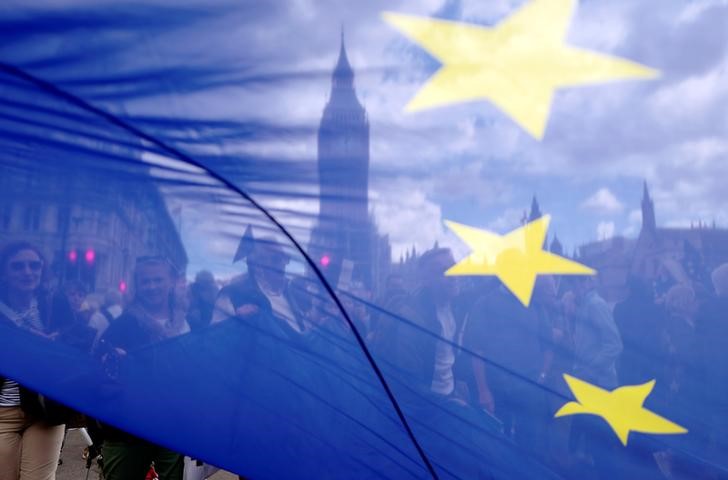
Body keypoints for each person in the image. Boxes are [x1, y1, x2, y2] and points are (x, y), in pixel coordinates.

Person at [97, 255, 189, 480]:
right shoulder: (120, 325)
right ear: (137, 285)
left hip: (172, 423)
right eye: (145, 281)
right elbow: (101, 375)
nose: (152, 286)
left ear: (171, 282)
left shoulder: (188, 322)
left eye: (158, 280)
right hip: (128, 429)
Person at [0, 241, 72, 480]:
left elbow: (77, 348)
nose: (27, 271)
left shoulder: (55, 304)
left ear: (42, 269)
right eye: (18, 266)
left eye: (34, 265)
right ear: (5, 272)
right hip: (3, 411)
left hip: (46, 409)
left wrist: (58, 342)